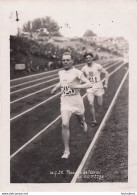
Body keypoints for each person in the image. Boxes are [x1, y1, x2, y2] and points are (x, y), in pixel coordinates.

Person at [51, 52, 92, 159]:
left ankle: (83, 123)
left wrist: (77, 86)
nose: (65, 62)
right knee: (64, 124)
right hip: (65, 101)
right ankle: (66, 150)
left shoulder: (77, 72)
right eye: (63, 60)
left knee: (81, 120)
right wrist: (56, 88)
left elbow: (89, 84)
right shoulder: (60, 72)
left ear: (72, 61)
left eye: (67, 60)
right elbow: (61, 82)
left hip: (76, 101)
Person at [80, 51, 109, 127]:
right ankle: (94, 120)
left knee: (100, 104)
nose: (88, 59)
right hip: (90, 88)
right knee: (90, 103)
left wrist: (105, 84)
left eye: (89, 58)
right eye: (87, 58)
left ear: (92, 58)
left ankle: (100, 113)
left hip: (98, 87)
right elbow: (80, 78)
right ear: (85, 59)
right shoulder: (83, 68)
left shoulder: (97, 66)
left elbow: (106, 73)